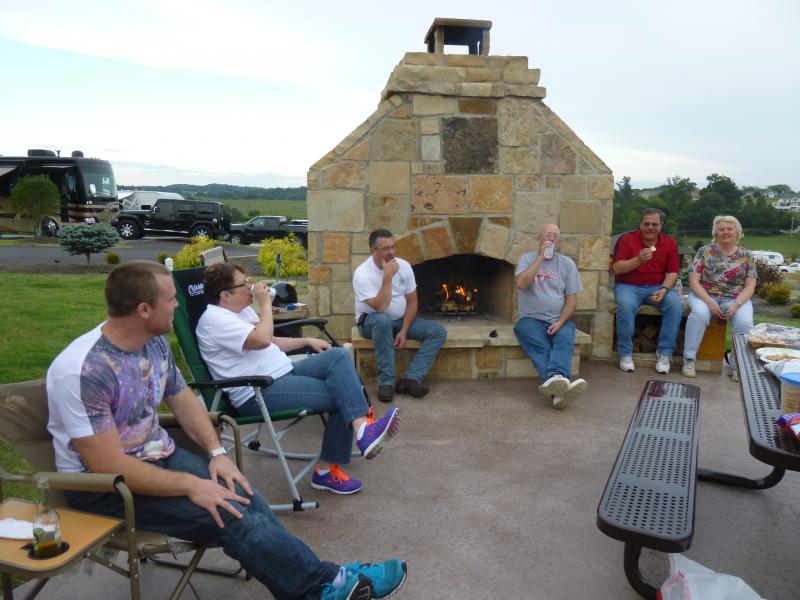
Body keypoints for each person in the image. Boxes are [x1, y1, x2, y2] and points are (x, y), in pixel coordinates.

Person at [46, 261, 406, 600]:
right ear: (143, 309)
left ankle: (313, 585)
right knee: (232, 516)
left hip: (158, 458)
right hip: (105, 489)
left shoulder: (152, 341)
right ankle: (327, 585)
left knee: (249, 499)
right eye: (171, 299)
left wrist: (217, 455)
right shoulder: (85, 371)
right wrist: (193, 484)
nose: (178, 306)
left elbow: (183, 398)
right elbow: (108, 464)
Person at [197, 262, 401, 496]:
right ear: (226, 295)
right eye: (244, 284)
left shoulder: (239, 310)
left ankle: (363, 428)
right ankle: (328, 469)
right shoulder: (215, 320)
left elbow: (270, 340)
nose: (251, 286)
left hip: (283, 372)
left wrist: (306, 342)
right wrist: (264, 303)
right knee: (340, 395)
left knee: (337, 356)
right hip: (259, 390)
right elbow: (262, 339)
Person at [353, 229, 447, 403]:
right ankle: (386, 382)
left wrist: (404, 330)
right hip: (370, 321)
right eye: (385, 248)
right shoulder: (362, 273)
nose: (391, 252)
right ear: (374, 251)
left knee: (437, 332)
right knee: (383, 319)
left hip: (400, 321)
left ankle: (410, 379)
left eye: (393, 247)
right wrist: (387, 276)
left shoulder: (404, 266)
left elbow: (412, 301)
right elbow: (381, 307)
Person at [513, 224, 587, 409]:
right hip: (529, 319)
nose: (552, 238)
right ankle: (558, 382)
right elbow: (521, 284)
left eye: (555, 236)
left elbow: (571, 300)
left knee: (564, 339)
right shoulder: (526, 259)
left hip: (557, 319)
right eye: (548, 235)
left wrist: (561, 321)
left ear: (559, 241)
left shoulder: (567, 264)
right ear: (539, 238)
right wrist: (540, 258)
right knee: (541, 346)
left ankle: (556, 388)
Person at [682, 216, 756, 379]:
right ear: (715, 233)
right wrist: (709, 302)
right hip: (704, 295)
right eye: (721, 229)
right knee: (699, 314)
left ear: (737, 232)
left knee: (745, 323)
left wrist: (737, 305)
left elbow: (750, 285)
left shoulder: (747, 255)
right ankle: (689, 359)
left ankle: (738, 365)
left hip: (735, 298)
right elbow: (693, 281)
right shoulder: (704, 251)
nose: (725, 232)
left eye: (729, 229)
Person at [612, 208, 682, 374]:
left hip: (657, 286)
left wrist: (665, 289)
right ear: (640, 224)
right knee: (626, 305)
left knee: (674, 304)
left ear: (661, 225)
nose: (650, 227)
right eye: (646, 224)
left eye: (654, 224)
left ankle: (665, 353)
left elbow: (673, 272)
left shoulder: (669, 243)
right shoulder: (627, 240)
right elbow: (617, 268)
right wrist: (638, 260)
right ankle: (625, 353)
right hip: (628, 286)